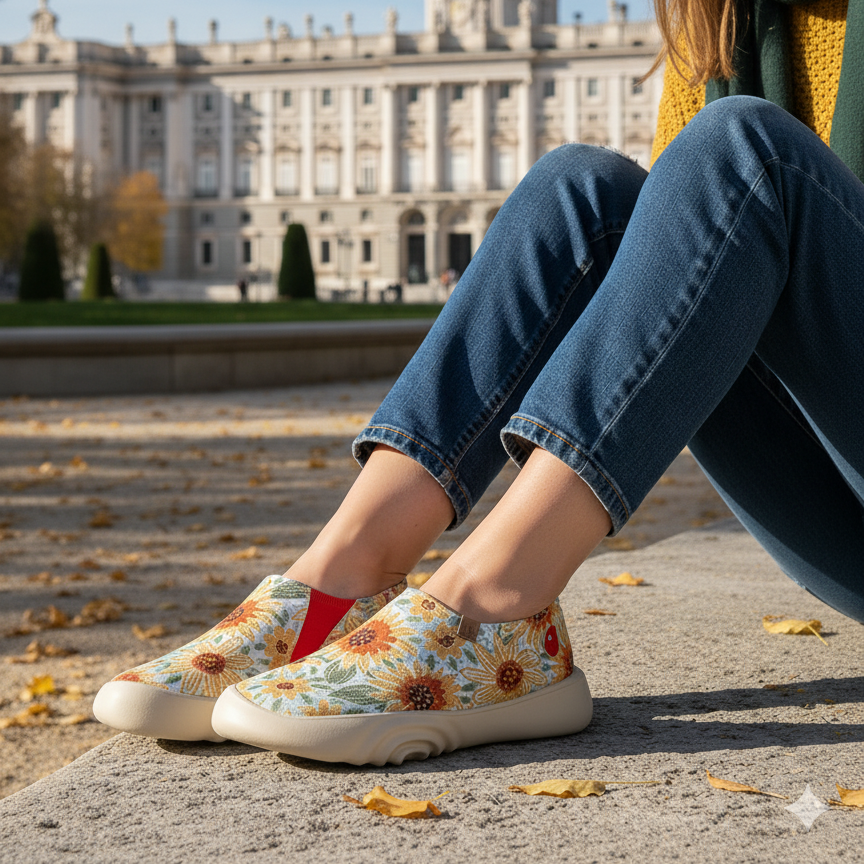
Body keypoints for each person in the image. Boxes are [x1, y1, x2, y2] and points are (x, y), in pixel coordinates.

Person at [94, 0, 864, 765]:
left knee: (741, 146)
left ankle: (492, 608)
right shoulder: (718, 12)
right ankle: (340, 584)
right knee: (582, 190)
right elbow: (679, 255)